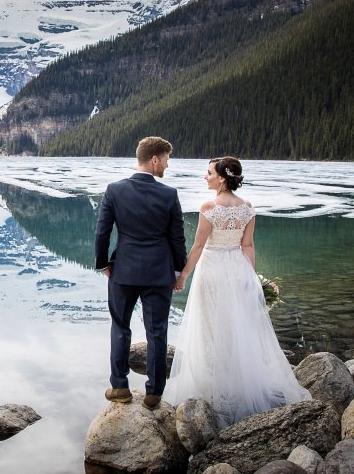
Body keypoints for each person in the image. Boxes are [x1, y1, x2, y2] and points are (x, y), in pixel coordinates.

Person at [169, 156, 310, 427]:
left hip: (211, 270)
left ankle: (215, 387)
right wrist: (251, 278)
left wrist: (183, 276)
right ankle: (237, 382)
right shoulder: (247, 208)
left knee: (211, 327)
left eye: (208, 173)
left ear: (222, 177)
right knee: (237, 327)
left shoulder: (209, 207)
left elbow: (198, 247)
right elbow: (248, 246)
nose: (205, 177)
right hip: (236, 269)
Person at [95, 136, 188, 410]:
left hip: (122, 271)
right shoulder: (169, 194)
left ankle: (120, 387)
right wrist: (177, 270)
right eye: (167, 160)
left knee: (120, 327)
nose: (167, 167)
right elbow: (177, 238)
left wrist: (103, 263)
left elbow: (102, 232)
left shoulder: (114, 190)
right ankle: (153, 394)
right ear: (155, 159)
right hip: (159, 273)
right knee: (157, 332)